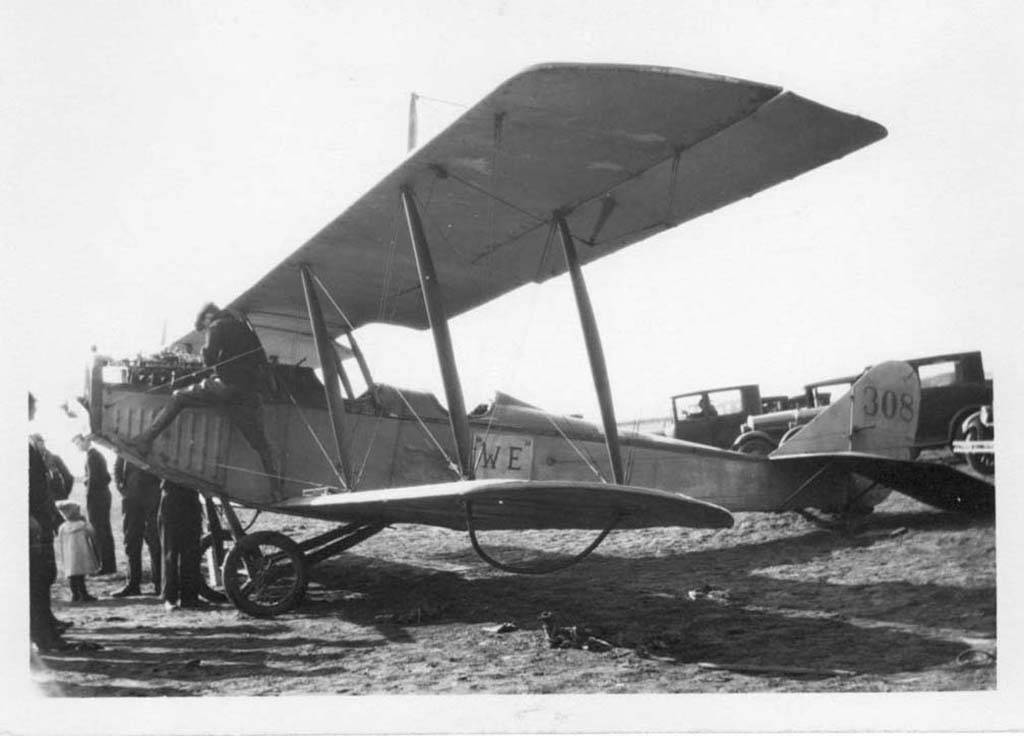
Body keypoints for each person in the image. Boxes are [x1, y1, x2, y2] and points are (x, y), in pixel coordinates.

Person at [128, 303, 282, 500]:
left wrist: (205, 355)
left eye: (204, 323)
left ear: (208, 316)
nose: (205, 326)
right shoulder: (244, 327)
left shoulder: (217, 325)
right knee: (261, 444)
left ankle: (145, 439)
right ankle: (276, 489)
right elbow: (261, 358)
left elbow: (209, 358)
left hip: (226, 386)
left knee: (179, 397)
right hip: (248, 393)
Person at [28, 393, 71, 651]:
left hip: (39, 521)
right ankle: (43, 636)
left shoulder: (29, 445)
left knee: (43, 577)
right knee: (37, 580)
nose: (36, 407)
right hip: (32, 524)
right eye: (33, 403)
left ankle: (45, 631)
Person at [112, 456, 162, 597]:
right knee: (131, 541)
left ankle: (159, 584)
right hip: (131, 497)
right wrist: (121, 487)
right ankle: (132, 584)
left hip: (153, 496)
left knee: (155, 540)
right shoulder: (126, 438)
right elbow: (118, 465)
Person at [159, 480, 207, 611]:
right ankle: (170, 598)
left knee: (191, 552)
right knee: (171, 553)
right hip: (172, 498)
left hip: (190, 498)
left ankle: (190, 597)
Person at [73, 435, 117, 574]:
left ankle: (105, 566)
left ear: (86, 440)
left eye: (78, 442)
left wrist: (87, 488)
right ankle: (108, 565)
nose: (78, 446)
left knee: (99, 532)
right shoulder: (96, 455)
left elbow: (94, 480)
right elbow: (106, 477)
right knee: (104, 531)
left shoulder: (92, 456)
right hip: (102, 496)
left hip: (97, 498)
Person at [54, 500, 100, 602]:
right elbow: (93, 534)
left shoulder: (62, 527)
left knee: (72, 576)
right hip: (82, 554)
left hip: (69, 555)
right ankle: (83, 594)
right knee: (80, 576)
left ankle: (75, 594)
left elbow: (60, 541)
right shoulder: (83, 525)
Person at [31, 434, 75, 501]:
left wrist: (64, 495)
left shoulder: (55, 459)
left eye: (40, 443)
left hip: (57, 501)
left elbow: (69, 478)